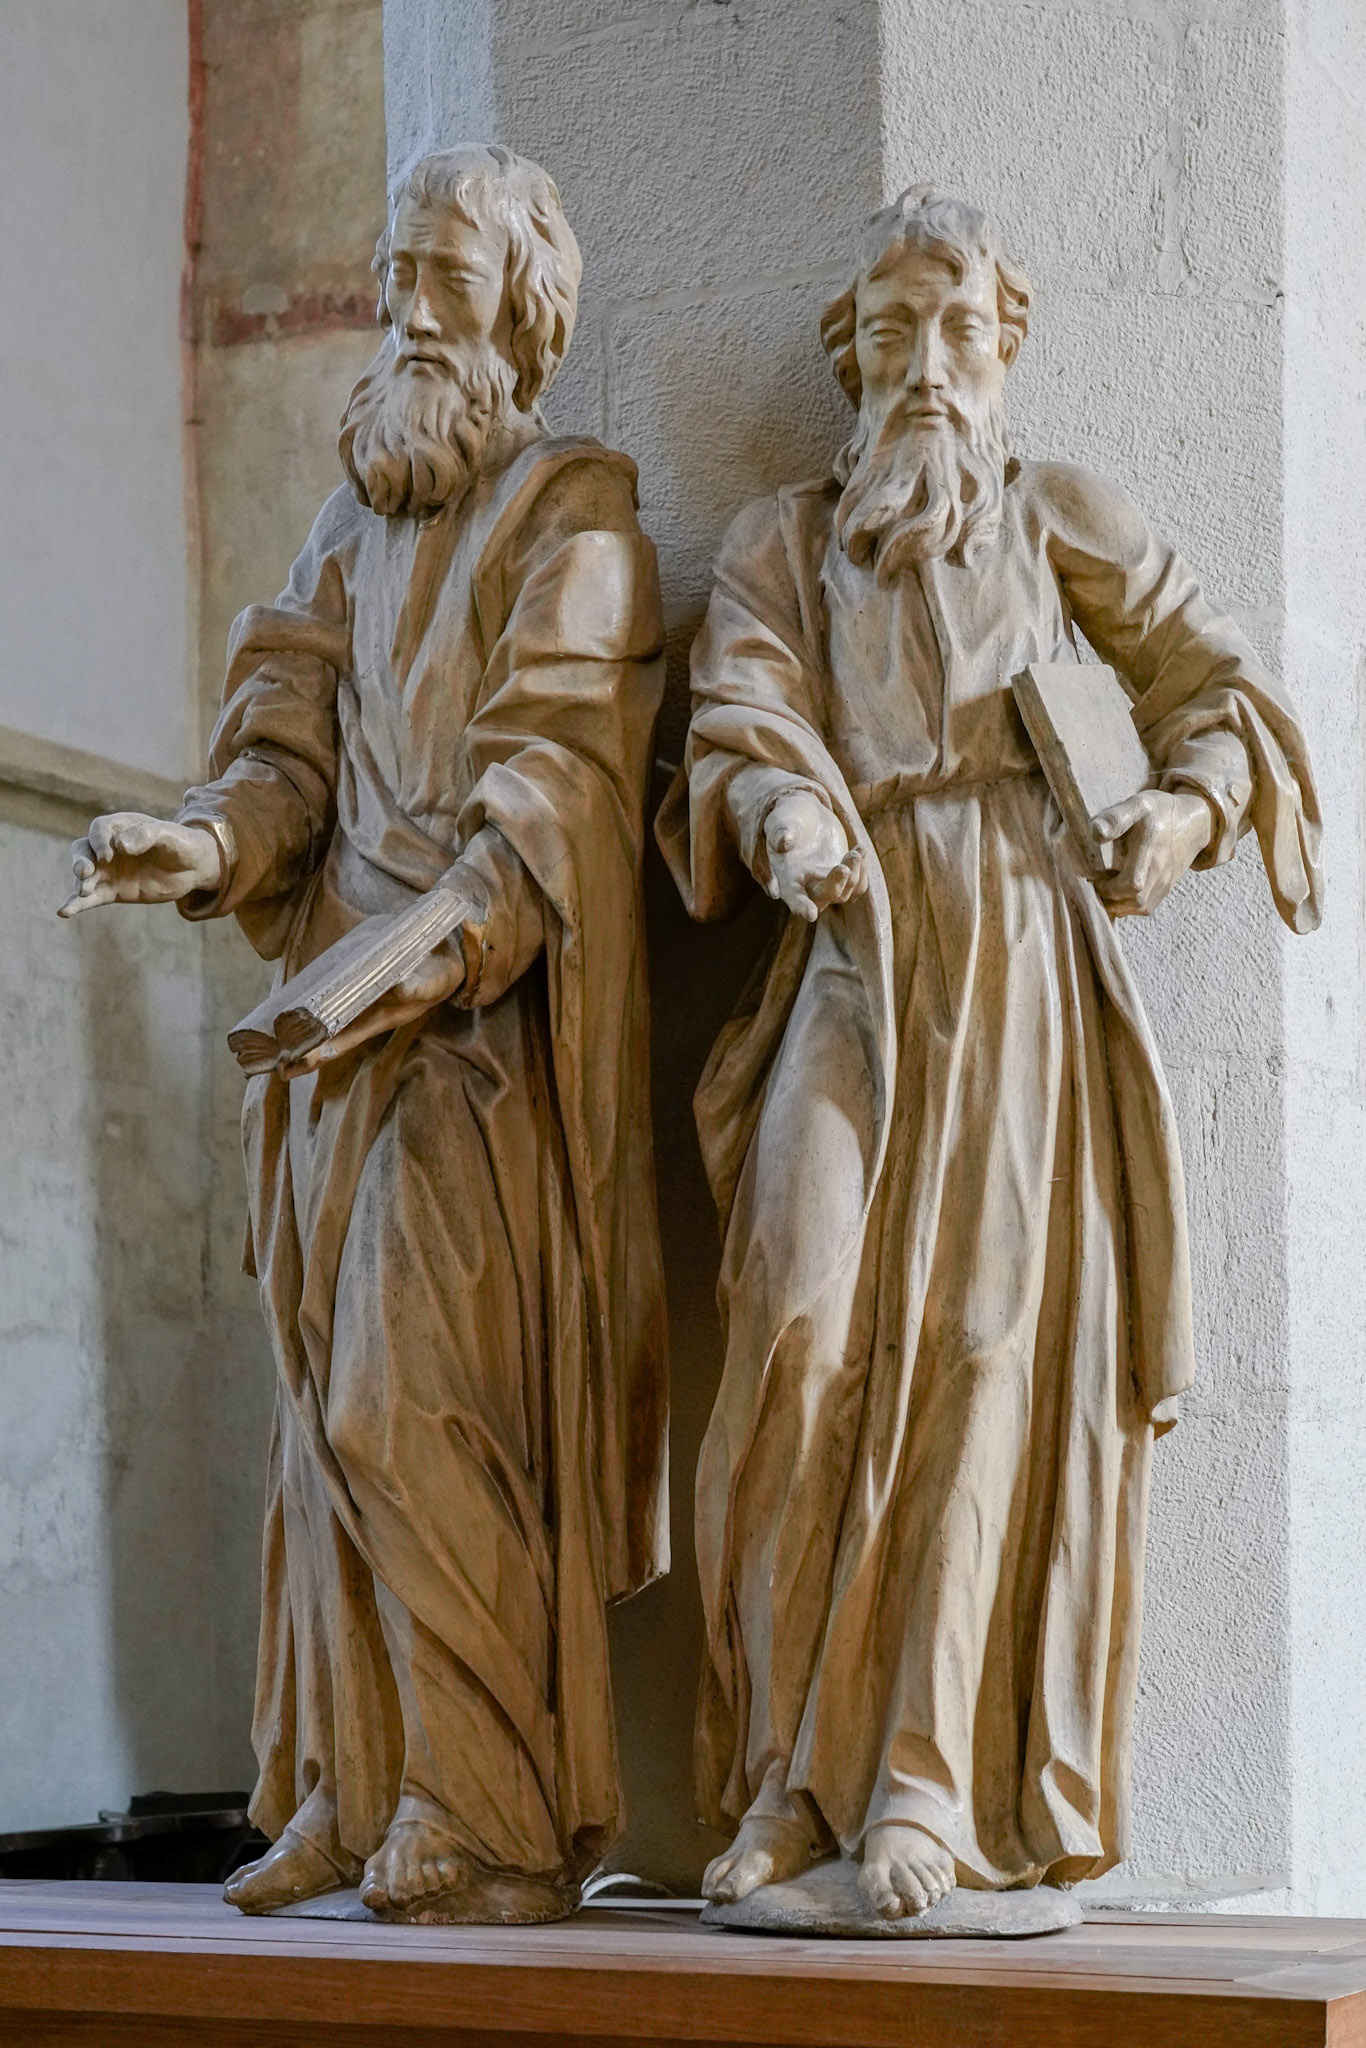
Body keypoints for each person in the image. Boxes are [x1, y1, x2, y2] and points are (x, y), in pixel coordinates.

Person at [658, 184, 1321, 1921]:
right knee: (795, 1336)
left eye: (957, 333)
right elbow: (735, 715)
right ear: (852, 368)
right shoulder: (780, 541)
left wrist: (1181, 814)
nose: (927, 370)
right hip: (859, 947)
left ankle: (921, 1795)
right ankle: (787, 1785)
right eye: (893, 338)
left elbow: (1222, 691)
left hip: (1025, 946)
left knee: (979, 1355)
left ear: (1003, 351)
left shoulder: (1059, 516)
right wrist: (787, 810)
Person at [63, 147, 668, 1923]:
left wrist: (432, 945)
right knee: (325, 1425)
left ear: (520, 312)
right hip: (325, 1043)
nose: (407, 306)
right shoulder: (344, 527)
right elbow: (281, 764)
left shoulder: (577, 513)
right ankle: (355, 1778)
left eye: (445, 278)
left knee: (414, 1401)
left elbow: (556, 790)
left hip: (470, 1039)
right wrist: (194, 841)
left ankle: (484, 1812)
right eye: (393, 271)